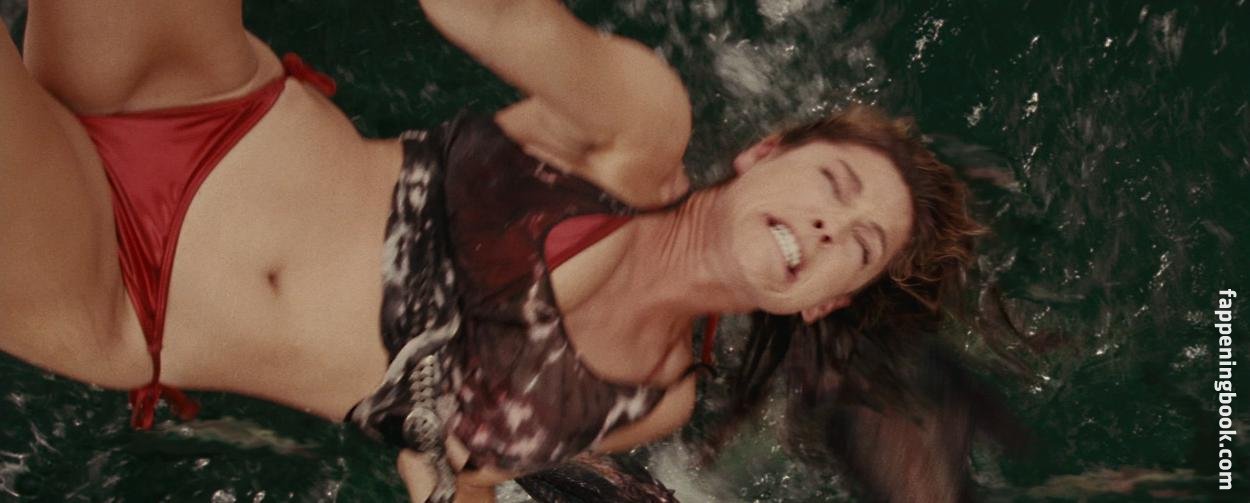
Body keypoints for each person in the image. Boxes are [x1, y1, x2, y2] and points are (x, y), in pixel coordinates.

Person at [0, 1, 989, 501]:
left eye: (858, 247)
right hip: (210, 96)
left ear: (820, 301)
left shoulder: (651, 405)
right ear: (765, 152)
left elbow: (450, 467)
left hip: (123, 294)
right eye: (833, 184)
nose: (826, 226)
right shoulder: (638, 127)